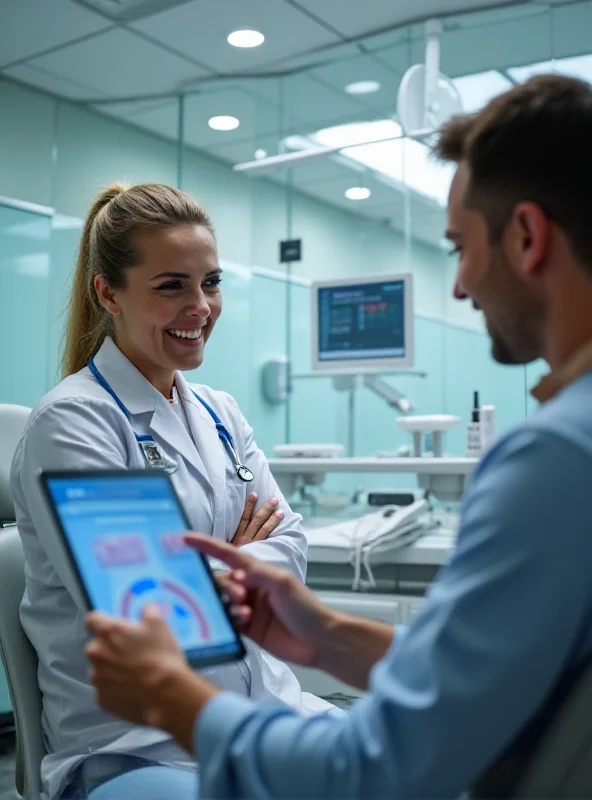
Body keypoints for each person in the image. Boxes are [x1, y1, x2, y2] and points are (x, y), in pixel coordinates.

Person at [87, 73, 592, 799]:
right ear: (111, 294)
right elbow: (492, 677)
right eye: (172, 285)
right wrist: (329, 634)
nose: (458, 287)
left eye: (457, 249)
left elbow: (372, 770)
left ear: (527, 236)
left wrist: (173, 694)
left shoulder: (554, 459)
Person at [9, 183, 332, 800]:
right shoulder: (73, 422)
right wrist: (236, 556)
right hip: (134, 748)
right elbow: (149, 610)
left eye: (210, 283)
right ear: (109, 293)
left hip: (264, 712)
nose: (201, 306)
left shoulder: (220, 412)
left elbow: (290, 546)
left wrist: (190, 567)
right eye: (171, 286)